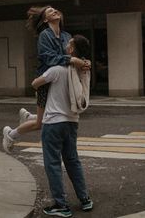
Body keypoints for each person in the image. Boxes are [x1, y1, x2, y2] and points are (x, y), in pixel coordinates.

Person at [2, 6, 91, 153]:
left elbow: (74, 53)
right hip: (46, 82)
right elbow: (50, 58)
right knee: (40, 123)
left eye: (56, 10)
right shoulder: (45, 35)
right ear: (45, 19)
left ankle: (27, 116)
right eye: (50, 11)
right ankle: (11, 134)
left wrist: (84, 62)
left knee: (52, 115)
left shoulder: (67, 36)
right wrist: (73, 60)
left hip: (62, 82)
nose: (55, 11)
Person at [32, 34, 93, 217]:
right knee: (73, 161)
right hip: (72, 122)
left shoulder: (57, 70)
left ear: (72, 50)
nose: (66, 45)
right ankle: (85, 200)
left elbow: (35, 84)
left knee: (53, 164)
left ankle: (61, 205)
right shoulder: (83, 70)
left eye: (69, 43)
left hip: (53, 123)